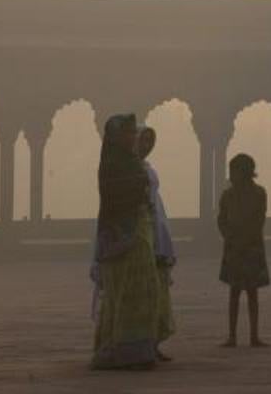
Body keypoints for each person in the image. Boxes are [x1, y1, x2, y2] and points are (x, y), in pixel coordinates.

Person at [90, 113, 161, 370]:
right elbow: (118, 198)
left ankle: (137, 351)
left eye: (133, 133)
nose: (133, 138)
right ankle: (120, 349)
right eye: (128, 133)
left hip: (136, 233)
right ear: (116, 137)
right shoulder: (114, 163)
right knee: (122, 295)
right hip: (121, 235)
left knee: (142, 291)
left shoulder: (128, 161)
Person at [217, 153, 270, 347]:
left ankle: (254, 335)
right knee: (235, 292)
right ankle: (232, 336)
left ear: (246, 172)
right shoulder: (228, 195)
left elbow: (259, 220)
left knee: (252, 293)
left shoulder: (259, 193)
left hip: (250, 247)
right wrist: (230, 236)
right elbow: (221, 219)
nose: (231, 175)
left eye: (235, 171)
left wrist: (241, 239)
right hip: (236, 246)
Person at [137, 126, 177, 360]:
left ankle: (150, 343)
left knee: (156, 293)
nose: (147, 145)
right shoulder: (130, 169)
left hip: (155, 232)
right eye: (143, 140)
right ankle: (139, 344)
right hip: (141, 235)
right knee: (142, 292)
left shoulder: (146, 169)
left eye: (151, 141)